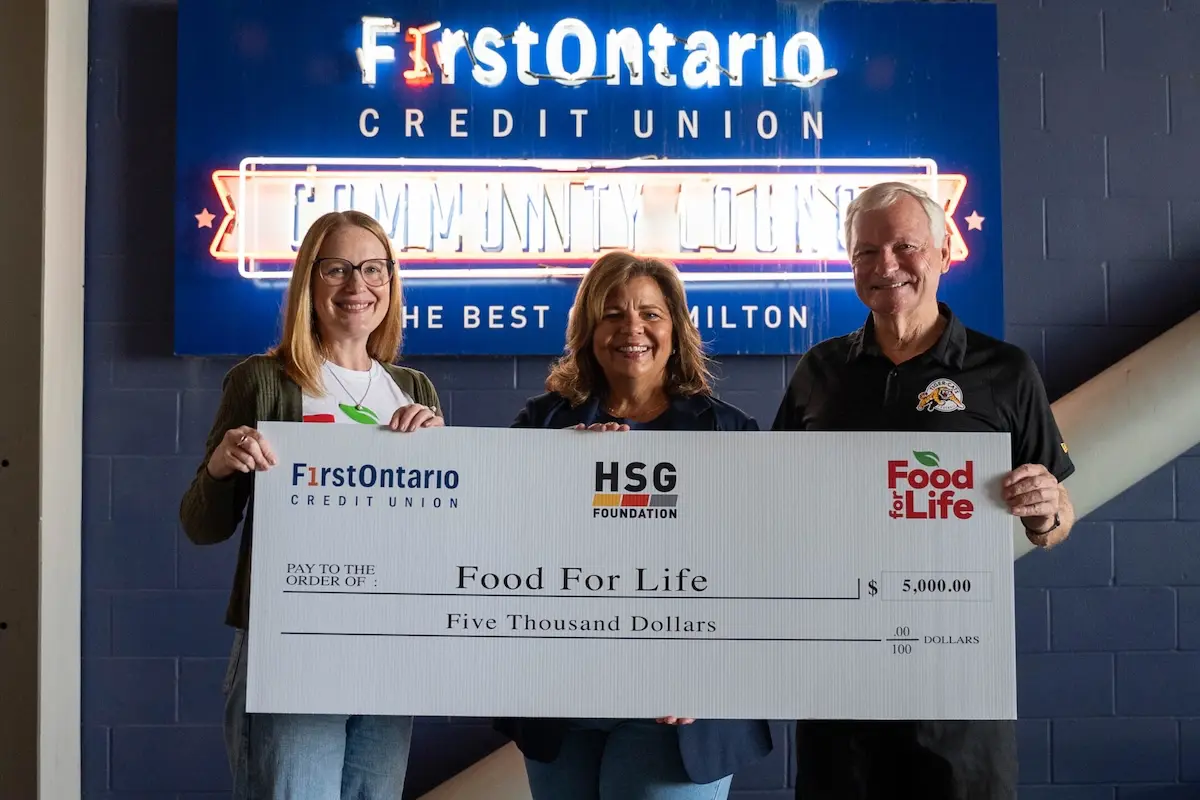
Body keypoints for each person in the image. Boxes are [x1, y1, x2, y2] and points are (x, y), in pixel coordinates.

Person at [772, 181, 1076, 800]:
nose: (885, 266)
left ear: (942, 251)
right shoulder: (819, 373)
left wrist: (1046, 513)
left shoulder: (1006, 371)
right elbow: (770, 501)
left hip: (958, 690)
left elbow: (1057, 518)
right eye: (865, 252)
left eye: (905, 246)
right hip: (841, 685)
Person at [179, 210, 444, 799]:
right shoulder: (265, 380)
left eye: (373, 269)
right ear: (309, 282)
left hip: (388, 648)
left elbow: (439, 537)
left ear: (391, 283)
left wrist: (445, 463)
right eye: (338, 269)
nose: (358, 286)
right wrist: (222, 467)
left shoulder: (415, 390)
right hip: (291, 648)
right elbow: (202, 525)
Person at [495, 250, 774, 800]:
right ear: (589, 331)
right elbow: (501, 543)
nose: (632, 330)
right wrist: (563, 474)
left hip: (678, 702)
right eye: (613, 314)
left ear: (676, 328)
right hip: (563, 695)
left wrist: (714, 672)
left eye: (650, 313)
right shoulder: (541, 423)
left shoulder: (727, 432)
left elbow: (760, 566)